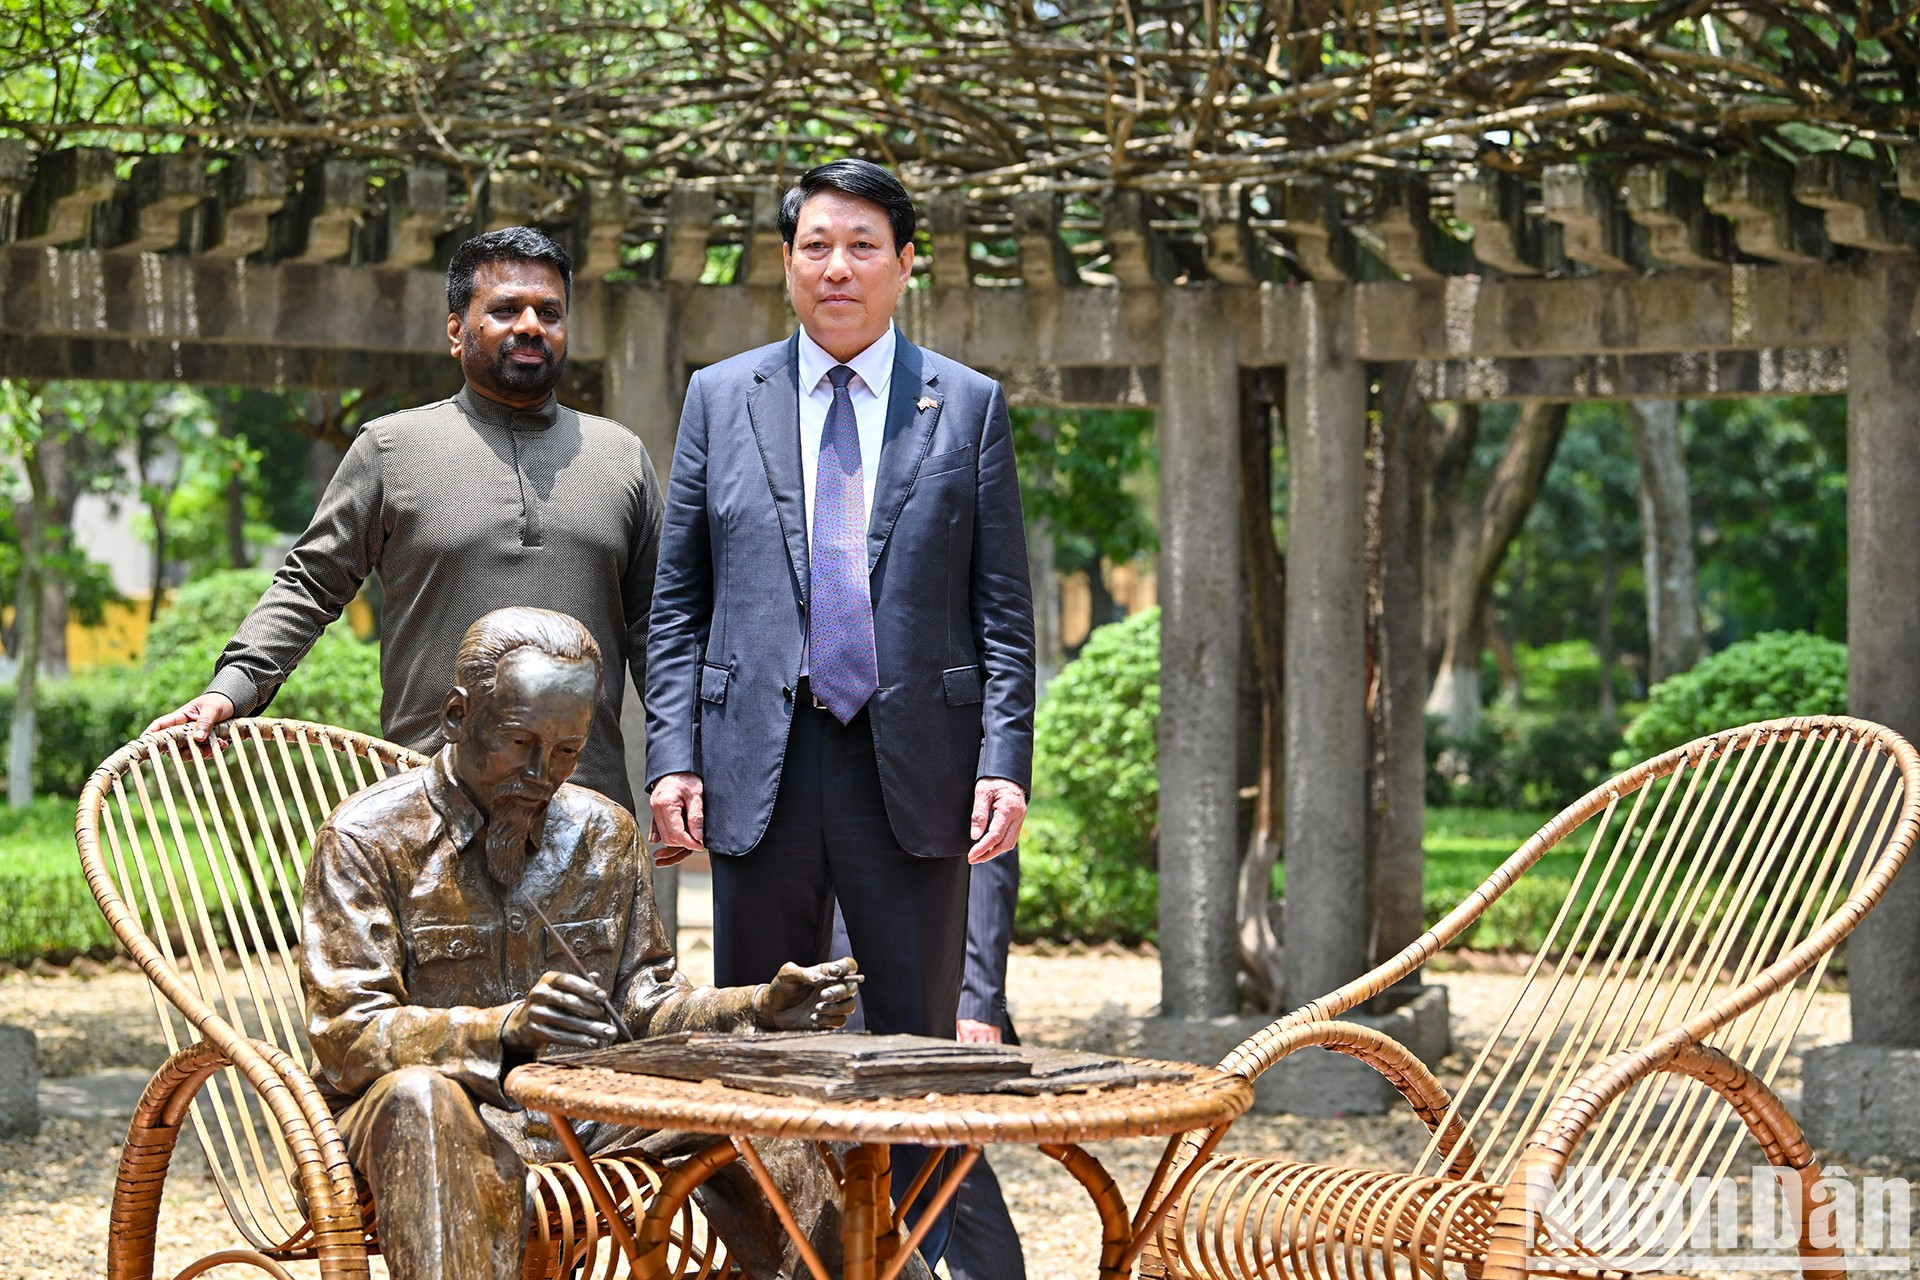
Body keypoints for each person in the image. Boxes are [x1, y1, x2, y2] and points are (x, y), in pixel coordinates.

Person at [646, 157, 1037, 1260]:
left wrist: (1004, 761)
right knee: (759, 1056)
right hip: (757, 771)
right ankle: (776, 1257)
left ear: (906, 265)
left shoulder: (966, 404)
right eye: (816, 243)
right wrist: (672, 753)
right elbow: (680, 601)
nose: (838, 266)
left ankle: (908, 1258)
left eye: (864, 244)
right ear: (784, 264)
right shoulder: (722, 398)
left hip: (915, 772)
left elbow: (1003, 612)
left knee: (914, 1056)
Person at [302, 607, 871, 1280]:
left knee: (755, 1095)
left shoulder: (604, 835)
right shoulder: (367, 839)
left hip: (588, 1118)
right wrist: (502, 1028)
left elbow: (645, 1004)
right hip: (418, 1128)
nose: (544, 773)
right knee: (422, 1097)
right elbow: (347, 1035)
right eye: (520, 743)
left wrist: (756, 1010)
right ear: (457, 716)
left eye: (567, 752)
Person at [146, 227, 662, 811]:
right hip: (428, 805)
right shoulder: (392, 448)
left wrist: (677, 768)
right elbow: (310, 584)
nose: (530, 326)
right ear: (455, 330)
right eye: (504, 309)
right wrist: (232, 689)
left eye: (549, 311)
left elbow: (657, 627)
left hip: (587, 810)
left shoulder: (620, 455)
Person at [829, 848, 1029, 1279]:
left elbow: (988, 872)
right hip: (836, 1005)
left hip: (931, 1006)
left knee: (950, 1172)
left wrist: (977, 1002)